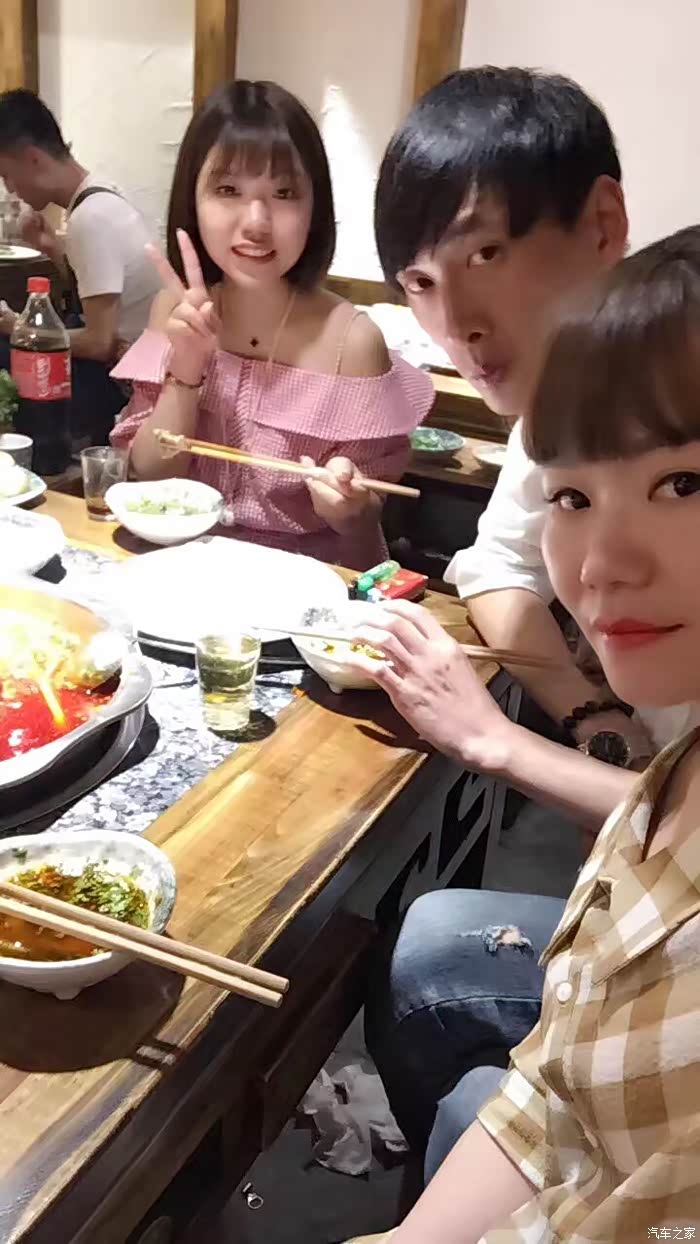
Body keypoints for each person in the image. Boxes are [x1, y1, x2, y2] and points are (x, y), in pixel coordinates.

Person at [357, 67, 700, 1188]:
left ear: (601, 225)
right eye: (418, 282)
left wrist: (498, 741)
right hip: (643, 879)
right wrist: (599, 713)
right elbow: (493, 563)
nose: (454, 320)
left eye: (486, 254)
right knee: (435, 965)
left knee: (475, 1100)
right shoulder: (559, 404)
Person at [110, 79, 433, 567]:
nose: (257, 223)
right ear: (192, 199)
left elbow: (366, 523)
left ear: (314, 207)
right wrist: (187, 371)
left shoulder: (352, 341)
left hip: (308, 588)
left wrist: (347, 506)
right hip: (179, 571)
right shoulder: (173, 311)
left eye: (284, 193)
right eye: (228, 190)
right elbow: (150, 478)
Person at [0, 89, 160, 443]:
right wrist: (53, 249)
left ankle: (42, 454)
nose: (10, 189)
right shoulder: (102, 191)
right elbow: (101, 295)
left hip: (125, 384)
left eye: (7, 175)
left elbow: (100, 342)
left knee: (7, 347)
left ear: (33, 159)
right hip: (133, 365)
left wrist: (18, 328)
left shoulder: (90, 218)